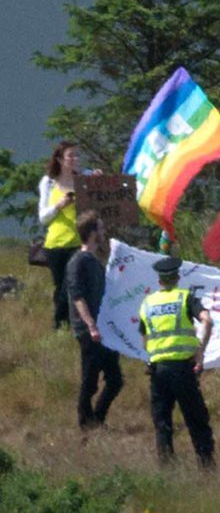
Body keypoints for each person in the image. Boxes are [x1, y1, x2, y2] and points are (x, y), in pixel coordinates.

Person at [138, 257, 215, 468]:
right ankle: (206, 465)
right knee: (196, 419)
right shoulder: (185, 297)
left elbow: (144, 337)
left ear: (159, 280)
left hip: (158, 370)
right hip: (183, 368)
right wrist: (200, 350)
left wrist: (154, 354)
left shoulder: (147, 303)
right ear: (177, 277)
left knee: (162, 423)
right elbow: (207, 320)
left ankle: (167, 468)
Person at [66, 211, 123, 430]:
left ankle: (97, 419)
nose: (103, 232)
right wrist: (90, 325)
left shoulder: (96, 261)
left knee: (115, 380)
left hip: (104, 329)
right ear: (91, 233)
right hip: (89, 330)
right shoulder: (78, 262)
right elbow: (78, 296)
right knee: (89, 381)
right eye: (99, 228)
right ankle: (85, 423)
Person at [38, 141, 97, 329]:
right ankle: (61, 322)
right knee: (61, 286)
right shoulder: (48, 183)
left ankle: (74, 322)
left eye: (76, 155)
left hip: (79, 242)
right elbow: (43, 217)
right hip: (56, 243)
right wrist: (58, 206)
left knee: (75, 284)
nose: (74, 159)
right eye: (70, 156)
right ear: (60, 160)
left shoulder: (83, 178)